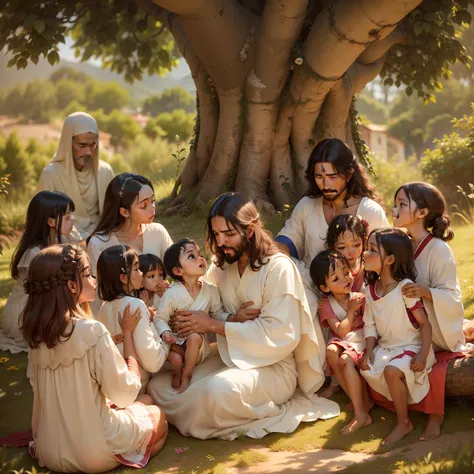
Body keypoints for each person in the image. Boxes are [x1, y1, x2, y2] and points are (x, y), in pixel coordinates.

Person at [147, 192, 339, 440]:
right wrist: (183, 318)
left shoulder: (278, 268)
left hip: (275, 368)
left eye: (228, 234)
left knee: (215, 392)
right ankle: (192, 410)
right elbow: (205, 306)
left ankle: (192, 411)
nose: (220, 241)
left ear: (249, 231)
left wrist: (214, 325)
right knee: (159, 386)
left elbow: (281, 336)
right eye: (216, 234)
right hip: (231, 358)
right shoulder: (223, 264)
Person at [21, 244, 167, 473]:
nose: (93, 279)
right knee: (159, 417)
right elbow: (125, 393)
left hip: (49, 447)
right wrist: (129, 351)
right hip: (93, 451)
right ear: (71, 285)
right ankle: (126, 456)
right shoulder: (91, 331)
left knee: (145, 401)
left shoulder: (36, 334)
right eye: (88, 274)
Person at [391, 181, 472, 441]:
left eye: (402, 204)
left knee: (434, 369)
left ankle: (435, 416)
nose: (395, 210)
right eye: (395, 204)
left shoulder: (439, 249)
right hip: (409, 325)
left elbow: (453, 296)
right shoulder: (402, 244)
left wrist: (426, 292)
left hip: (436, 329)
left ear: (422, 213)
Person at [360, 229, 435, 447]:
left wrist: (422, 354)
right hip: (387, 348)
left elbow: (424, 323)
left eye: (372, 250)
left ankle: (404, 422)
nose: (365, 253)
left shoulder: (404, 288)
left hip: (413, 346)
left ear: (390, 259)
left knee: (391, 371)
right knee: (365, 366)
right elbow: (370, 325)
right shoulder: (370, 290)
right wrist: (369, 350)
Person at [275, 138, 388, 268]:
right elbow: (285, 243)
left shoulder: (370, 211)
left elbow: (384, 261)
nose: (326, 185)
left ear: (349, 175)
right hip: (307, 287)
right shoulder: (307, 206)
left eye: (332, 177)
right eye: (319, 177)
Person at [0, 191, 75, 353]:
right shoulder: (34, 253)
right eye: (67, 217)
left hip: (47, 305)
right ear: (50, 222)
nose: (72, 220)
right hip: (27, 311)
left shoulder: (64, 240)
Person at [87, 173, 173, 314]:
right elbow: (101, 296)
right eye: (144, 205)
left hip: (164, 315)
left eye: (153, 201)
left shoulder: (157, 231)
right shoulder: (100, 243)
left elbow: (178, 270)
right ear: (124, 212)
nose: (152, 208)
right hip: (125, 320)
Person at [156, 238, 228, 392]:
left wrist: (232, 319)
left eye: (200, 254)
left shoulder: (211, 290)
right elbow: (160, 318)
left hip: (198, 345)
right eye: (191, 256)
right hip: (177, 342)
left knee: (194, 337)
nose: (200, 258)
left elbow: (217, 314)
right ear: (178, 271)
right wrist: (166, 332)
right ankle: (177, 371)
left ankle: (186, 375)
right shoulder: (172, 294)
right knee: (174, 356)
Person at [310, 250, 370, 435]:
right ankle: (357, 399)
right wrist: (351, 311)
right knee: (331, 351)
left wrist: (354, 308)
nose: (345, 279)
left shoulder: (359, 296)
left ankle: (361, 413)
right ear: (325, 287)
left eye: (346, 272)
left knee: (345, 359)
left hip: (360, 337)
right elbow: (340, 330)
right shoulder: (326, 304)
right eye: (336, 278)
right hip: (344, 337)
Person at [96, 245, 169, 392]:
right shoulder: (134, 305)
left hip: (117, 384)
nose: (141, 273)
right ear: (123, 278)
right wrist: (168, 340)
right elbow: (153, 361)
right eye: (137, 269)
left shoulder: (105, 307)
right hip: (138, 386)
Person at [38, 112, 114, 242]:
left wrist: (96, 238)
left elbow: (112, 214)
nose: (88, 152)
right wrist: (80, 241)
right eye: (82, 145)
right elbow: (46, 220)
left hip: (101, 238)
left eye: (93, 145)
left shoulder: (105, 171)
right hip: (65, 239)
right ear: (68, 142)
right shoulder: (51, 174)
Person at [319, 214, 370, 399]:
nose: (351, 252)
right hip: (342, 319)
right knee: (333, 350)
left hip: (366, 320)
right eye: (342, 247)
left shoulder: (366, 265)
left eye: (356, 245)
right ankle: (338, 385)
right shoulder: (332, 267)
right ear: (333, 247)